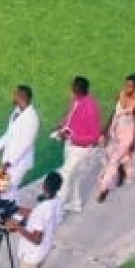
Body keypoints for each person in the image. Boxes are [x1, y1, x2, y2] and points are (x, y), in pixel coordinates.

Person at [51, 76, 104, 214]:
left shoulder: (90, 108)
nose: (70, 90)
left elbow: (94, 136)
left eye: (72, 87)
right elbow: (71, 115)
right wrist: (62, 126)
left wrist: (73, 137)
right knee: (73, 176)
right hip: (71, 144)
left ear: (77, 90)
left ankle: (57, 210)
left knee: (65, 174)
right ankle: (75, 203)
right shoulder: (76, 100)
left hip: (81, 149)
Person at [6, 171, 63, 268]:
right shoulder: (57, 202)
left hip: (31, 255)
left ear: (44, 185)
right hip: (42, 251)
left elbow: (37, 239)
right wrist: (18, 209)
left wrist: (17, 226)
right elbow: (45, 218)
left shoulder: (42, 210)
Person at [96, 76, 135, 202]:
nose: (126, 88)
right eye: (126, 85)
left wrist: (133, 142)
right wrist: (106, 130)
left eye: (130, 86)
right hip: (115, 129)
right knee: (109, 153)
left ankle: (104, 188)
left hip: (127, 135)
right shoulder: (121, 94)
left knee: (114, 160)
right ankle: (122, 170)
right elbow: (114, 112)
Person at [0, 84, 40, 191]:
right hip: (10, 159)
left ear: (21, 96)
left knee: (8, 190)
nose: (13, 96)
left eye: (15, 94)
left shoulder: (31, 119)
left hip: (19, 163)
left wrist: (8, 163)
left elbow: (25, 145)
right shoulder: (17, 111)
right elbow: (10, 132)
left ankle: (8, 206)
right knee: (7, 190)